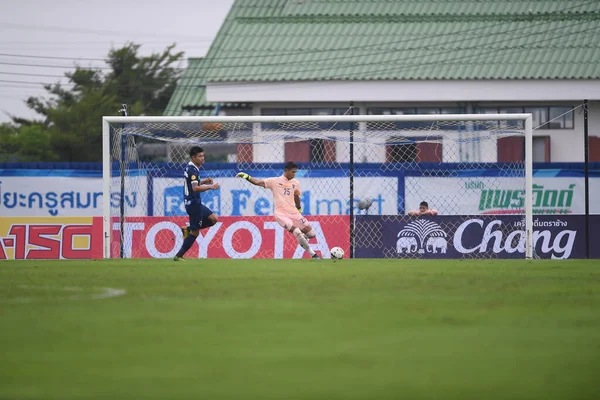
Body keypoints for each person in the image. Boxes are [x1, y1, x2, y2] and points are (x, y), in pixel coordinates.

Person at [236, 162, 321, 259]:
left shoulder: (295, 182)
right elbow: (257, 182)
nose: (294, 174)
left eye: (295, 172)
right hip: (281, 214)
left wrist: (299, 208)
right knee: (296, 231)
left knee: (312, 234)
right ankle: (313, 255)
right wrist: (246, 176)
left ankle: (302, 240)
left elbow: (296, 195)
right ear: (286, 171)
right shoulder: (274, 181)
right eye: (292, 172)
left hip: (294, 212)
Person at [173, 146, 220, 261]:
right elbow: (195, 188)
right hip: (193, 204)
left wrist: (203, 181)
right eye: (200, 156)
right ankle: (179, 255)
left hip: (195, 203)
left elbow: (192, 183)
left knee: (213, 219)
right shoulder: (193, 170)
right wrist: (211, 186)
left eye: (203, 156)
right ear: (193, 157)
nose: (202, 158)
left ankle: (188, 229)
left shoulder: (192, 168)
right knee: (195, 232)